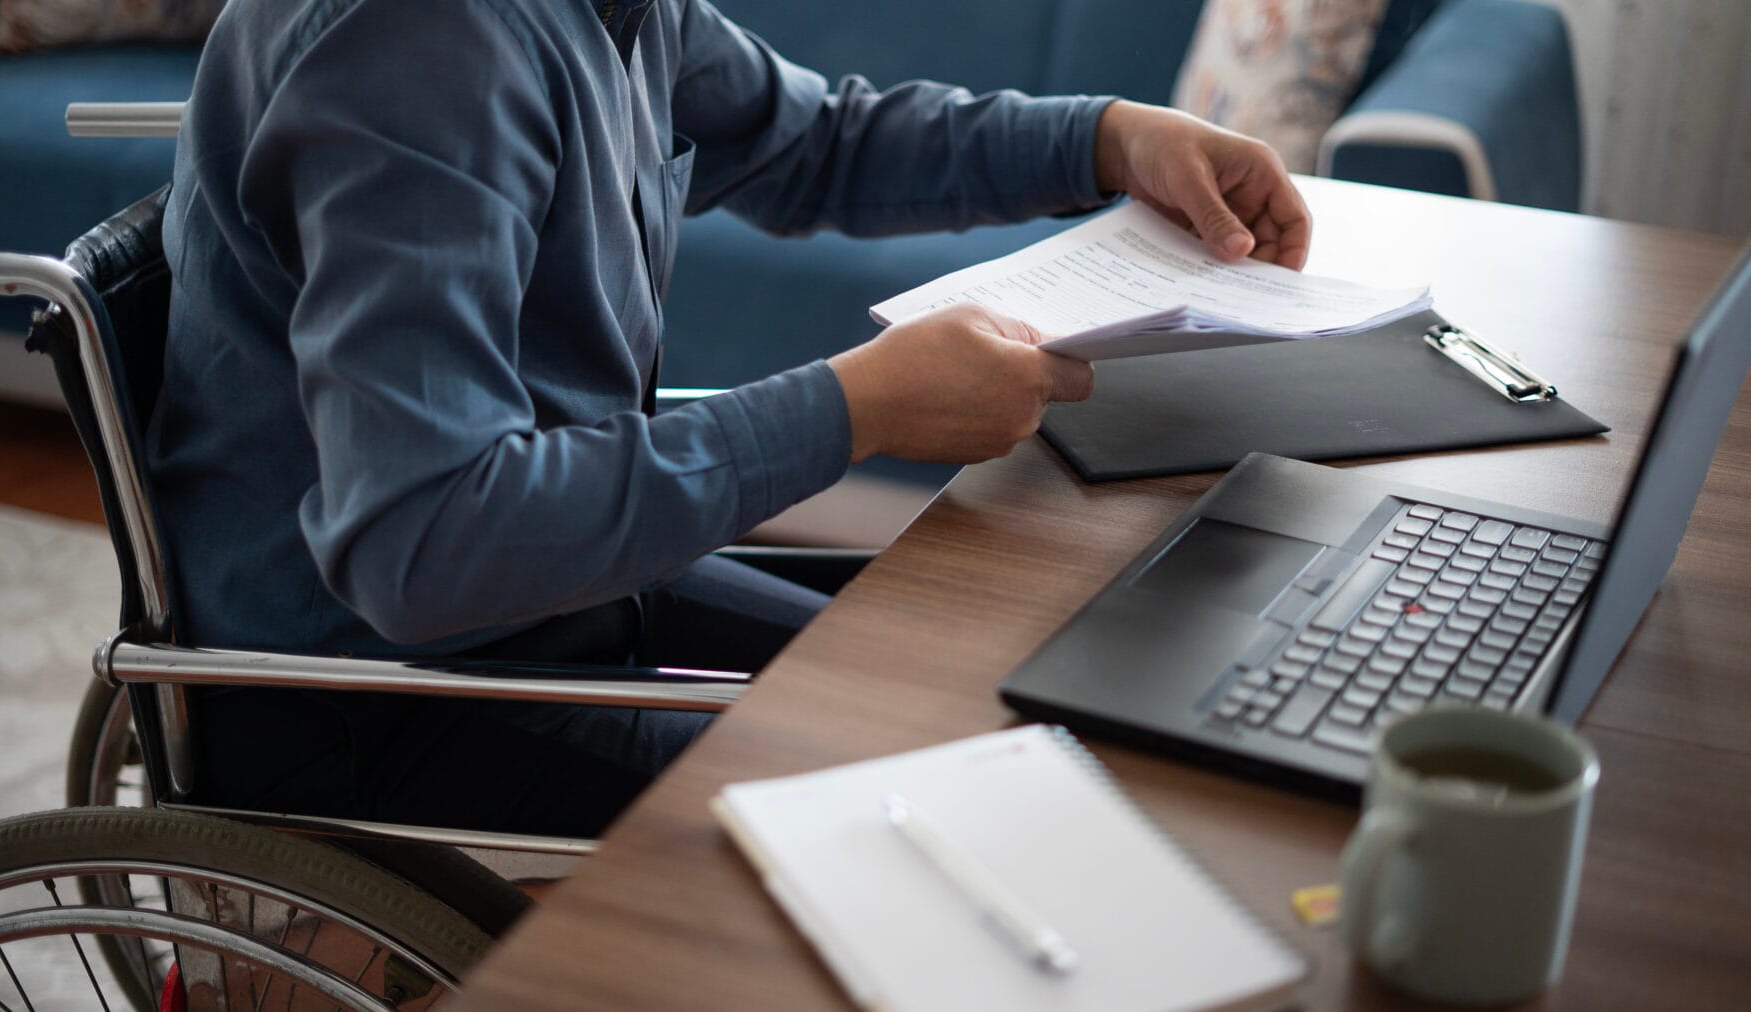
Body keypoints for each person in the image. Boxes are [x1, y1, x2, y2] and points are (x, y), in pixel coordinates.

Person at [147, 0, 1311, 835]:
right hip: (383, 694)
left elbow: (817, 142)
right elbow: (421, 542)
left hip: (556, 588)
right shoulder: (415, 45)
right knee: (965, 796)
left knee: (973, 674)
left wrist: (1110, 136)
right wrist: (858, 406)